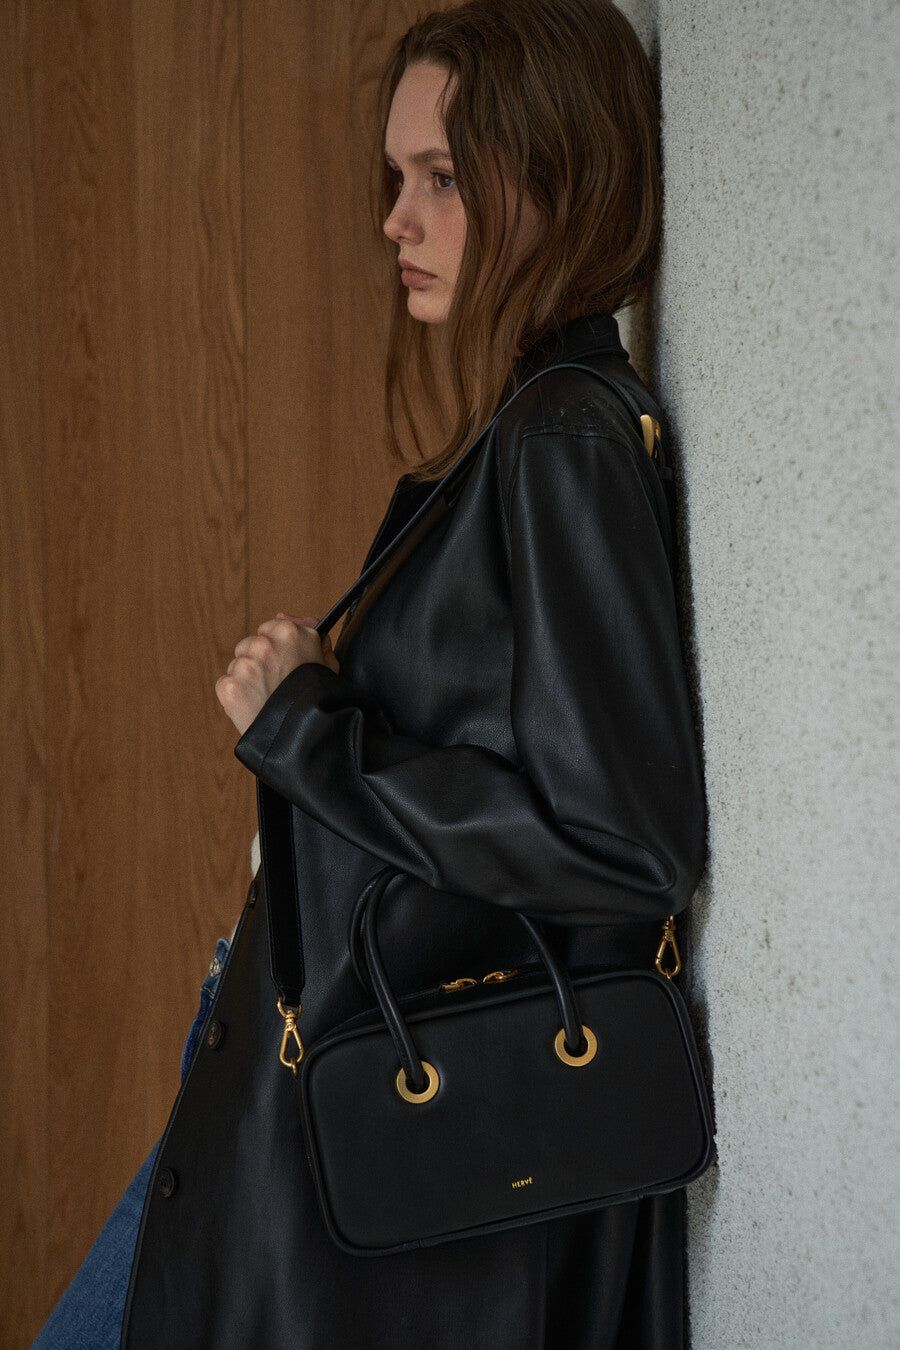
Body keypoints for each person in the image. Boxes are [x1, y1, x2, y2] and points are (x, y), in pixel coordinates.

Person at [35, 2, 708, 1346]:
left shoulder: (563, 441)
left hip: (394, 1103)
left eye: (442, 177)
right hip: (336, 1076)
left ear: (561, 173)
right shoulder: (524, 431)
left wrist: (307, 728)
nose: (397, 218)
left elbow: (621, 843)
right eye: (397, 177)